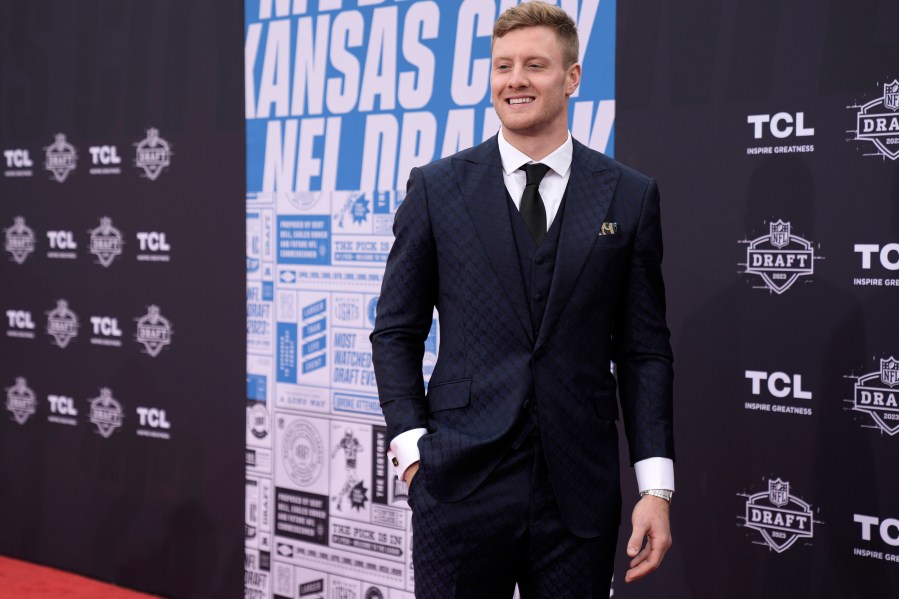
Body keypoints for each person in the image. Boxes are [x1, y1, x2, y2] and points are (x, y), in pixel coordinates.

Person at [370, 2, 674, 597]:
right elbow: (395, 332)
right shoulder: (436, 189)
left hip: (578, 492)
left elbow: (644, 352)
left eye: (535, 65)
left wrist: (655, 489)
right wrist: (412, 454)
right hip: (458, 482)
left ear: (572, 77)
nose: (515, 80)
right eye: (503, 65)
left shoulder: (629, 197)